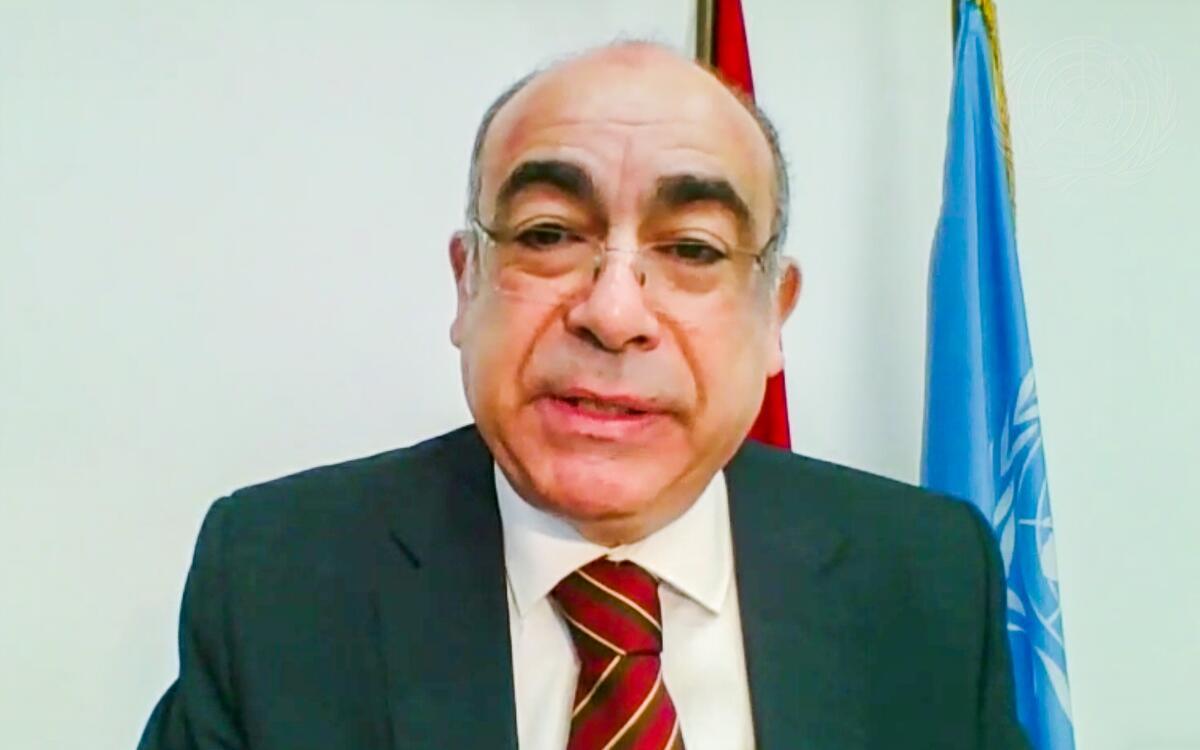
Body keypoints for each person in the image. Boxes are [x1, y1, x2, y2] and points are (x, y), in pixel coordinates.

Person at [139, 41, 1030, 750]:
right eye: (549, 235)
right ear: (467, 283)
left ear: (773, 317)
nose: (612, 314)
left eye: (692, 249)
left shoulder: (927, 578)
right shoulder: (277, 581)